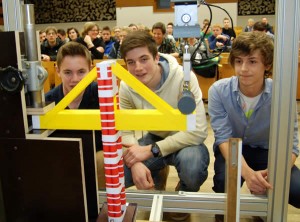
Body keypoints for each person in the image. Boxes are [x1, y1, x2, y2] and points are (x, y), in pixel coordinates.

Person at [208, 32, 300, 222]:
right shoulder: (218, 91)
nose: (243, 69)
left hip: (268, 152)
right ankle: (223, 210)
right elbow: (223, 138)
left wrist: (273, 173)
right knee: (223, 182)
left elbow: (292, 143)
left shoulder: (281, 92)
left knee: (297, 190)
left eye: (252, 61)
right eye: (239, 61)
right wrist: (249, 175)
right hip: (233, 150)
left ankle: (262, 205)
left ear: (267, 64)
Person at [119, 30, 209, 220]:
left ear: (156, 57)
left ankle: (181, 195)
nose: (138, 68)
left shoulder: (184, 78)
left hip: (185, 141)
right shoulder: (126, 85)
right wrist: (135, 159)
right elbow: (125, 130)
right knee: (122, 173)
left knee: (192, 169)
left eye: (144, 59)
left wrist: (152, 150)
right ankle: (158, 173)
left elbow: (199, 130)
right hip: (154, 137)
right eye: (131, 62)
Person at [45, 41, 105, 190]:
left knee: (103, 159)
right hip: (61, 163)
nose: (75, 79)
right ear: (58, 70)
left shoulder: (103, 96)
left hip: (96, 160)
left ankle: (102, 205)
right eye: (68, 72)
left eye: (81, 72)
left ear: (91, 70)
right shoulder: (48, 101)